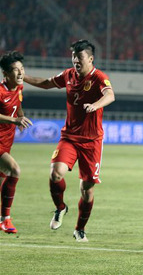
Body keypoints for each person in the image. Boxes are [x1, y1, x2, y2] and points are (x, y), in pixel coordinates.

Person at [23, 40, 115, 242]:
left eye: (79, 57)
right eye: (73, 57)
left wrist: (96, 105)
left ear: (90, 59)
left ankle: (79, 229)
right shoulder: (68, 75)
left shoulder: (99, 77)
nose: (75, 60)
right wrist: (24, 78)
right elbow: (47, 83)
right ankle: (60, 207)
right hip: (70, 137)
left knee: (87, 190)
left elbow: (110, 95)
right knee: (56, 173)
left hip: (92, 142)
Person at [0, 51, 33, 234]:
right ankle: (6, 219)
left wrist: (20, 116)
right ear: (5, 73)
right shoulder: (0, 91)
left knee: (2, 180)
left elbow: (17, 104)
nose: (20, 73)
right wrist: (14, 121)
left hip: (6, 141)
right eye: (15, 70)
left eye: (22, 69)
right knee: (15, 170)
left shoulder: (18, 88)